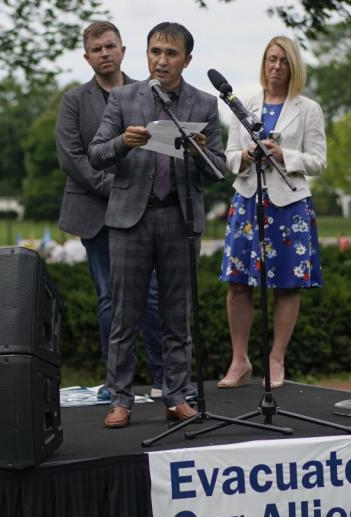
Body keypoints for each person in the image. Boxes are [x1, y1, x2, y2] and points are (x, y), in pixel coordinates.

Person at [89, 22, 226, 428]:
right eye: (155, 52)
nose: (161, 60)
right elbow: (96, 154)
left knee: (176, 315)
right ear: (146, 55)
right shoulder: (123, 97)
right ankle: (121, 399)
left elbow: (218, 172)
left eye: (170, 53)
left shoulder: (203, 104)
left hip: (179, 219)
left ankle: (176, 396)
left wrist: (200, 154)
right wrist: (122, 144)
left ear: (187, 59)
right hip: (131, 218)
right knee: (124, 314)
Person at [56, 21, 165, 401]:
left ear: (122, 50)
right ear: (87, 57)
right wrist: (114, 189)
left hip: (142, 213)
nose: (104, 53)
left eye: (109, 46)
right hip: (95, 214)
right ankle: (115, 385)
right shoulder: (73, 101)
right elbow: (72, 157)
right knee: (110, 299)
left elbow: (159, 150)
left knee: (151, 297)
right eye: (96, 49)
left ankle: (164, 379)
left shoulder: (147, 94)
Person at [217, 35, 327, 390]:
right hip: (248, 200)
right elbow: (229, 155)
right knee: (237, 284)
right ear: (263, 63)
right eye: (271, 59)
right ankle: (240, 360)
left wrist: (284, 155)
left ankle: (276, 358)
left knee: (287, 285)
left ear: (293, 66)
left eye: (283, 61)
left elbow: (319, 161)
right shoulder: (243, 104)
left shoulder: (308, 109)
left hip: (289, 205)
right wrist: (247, 155)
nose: (276, 66)